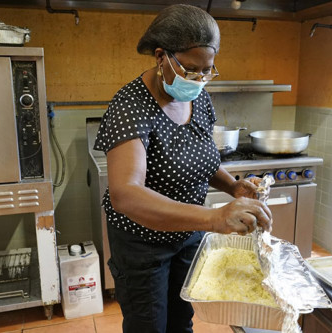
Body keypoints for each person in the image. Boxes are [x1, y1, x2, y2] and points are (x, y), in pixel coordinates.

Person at [93, 4, 272, 333]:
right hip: (143, 243)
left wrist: (233, 186)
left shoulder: (199, 99)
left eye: (208, 70)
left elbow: (199, 159)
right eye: (191, 69)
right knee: (149, 326)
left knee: (181, 322)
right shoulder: (130, 106)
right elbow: (125, 195)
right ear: (161, 56)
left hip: (187, 236)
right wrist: (214, 218)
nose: (200, 79)